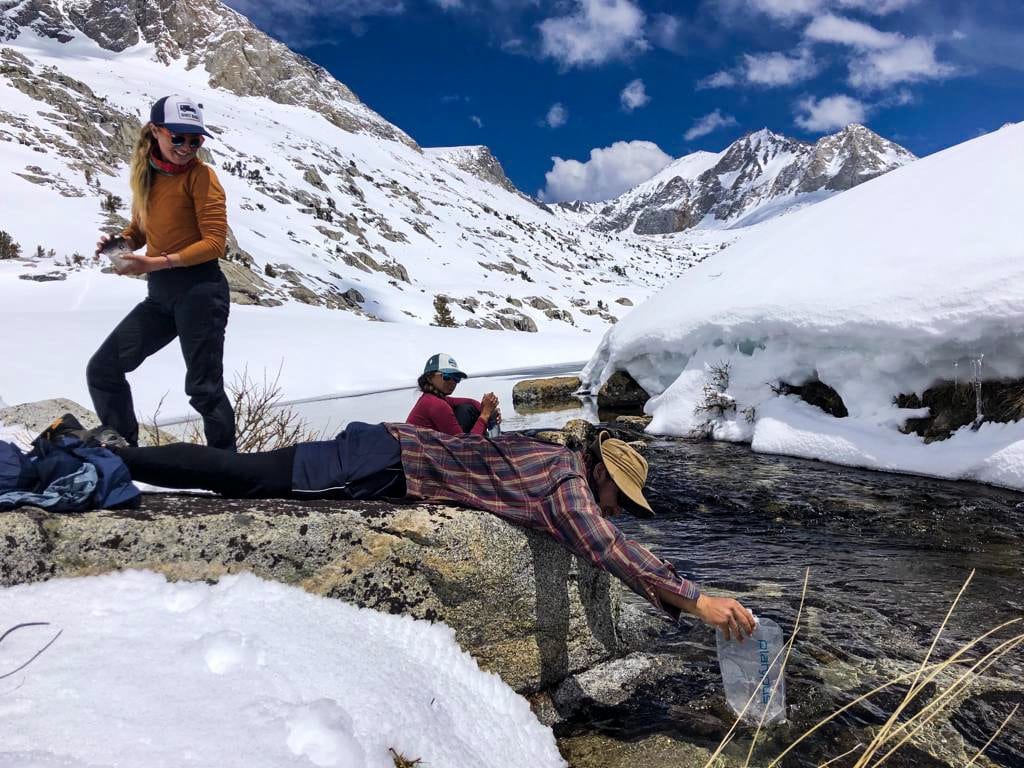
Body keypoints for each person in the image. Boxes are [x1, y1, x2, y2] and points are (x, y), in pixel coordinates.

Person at [114, 423, 756, 639]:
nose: (618, 512)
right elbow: (602, 543)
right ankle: (118, 458)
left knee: (245, 474)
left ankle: (122, 455)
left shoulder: (556, 463)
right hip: (378, 463)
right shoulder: (565, 483)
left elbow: (600, 535)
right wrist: (695, 599)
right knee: (244, 479)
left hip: (383, 452)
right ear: (601, 478)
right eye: (621, 500)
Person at [86, 94, 235, 451]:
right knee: (103, 370)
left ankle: (227, 471)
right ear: (155, 132)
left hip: (201, 292)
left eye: (195, 140)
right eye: (178, 138)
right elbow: (141, 229)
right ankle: (125, 452)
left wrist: (155, 262)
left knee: (204, 389)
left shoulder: (202, 177)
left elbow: (215, 243)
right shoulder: (147, 175)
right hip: (162, 296)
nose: (187, 147)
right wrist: (121, 243)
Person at [406, 353, 500, 436]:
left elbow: (469, 402)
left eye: (456, 378)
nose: (452, 382)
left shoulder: (432, 398)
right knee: (466, 411)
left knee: (466, 408)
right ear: (430, 378)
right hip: (424, 452)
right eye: (446, 377)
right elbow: (464, 448)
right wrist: (485, 415)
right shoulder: (435, 404)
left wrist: (489, 410)